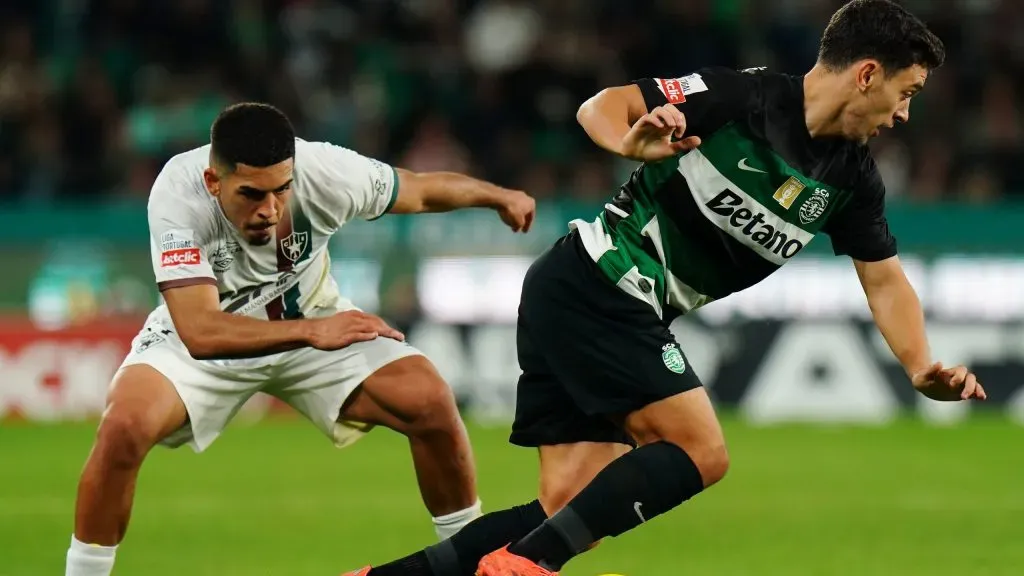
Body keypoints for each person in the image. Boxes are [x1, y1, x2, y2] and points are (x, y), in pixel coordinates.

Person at [342, 2, 986, 576]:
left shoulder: (851, 178)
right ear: (867, 74)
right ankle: (528, 567)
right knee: (699, 451)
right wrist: (625, 141)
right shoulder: (743, 100)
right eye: (908, 91)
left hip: (590, 296)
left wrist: (920, 363)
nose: (905, 114)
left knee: (567, 505)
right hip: (598, 283)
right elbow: (603, 103)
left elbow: (884, 276)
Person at [64, 102, 537, 576]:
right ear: (214, 181)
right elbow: (201, 332)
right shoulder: (178, 192)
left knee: (429, 399)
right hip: (218, 331)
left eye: (281, 190)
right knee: (123, 426)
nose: (269, 210)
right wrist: (314, 331)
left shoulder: (326, 171)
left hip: (312, 318)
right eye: (251, 194)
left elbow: (418, 189)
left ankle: (468, 567)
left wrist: (496, 195)